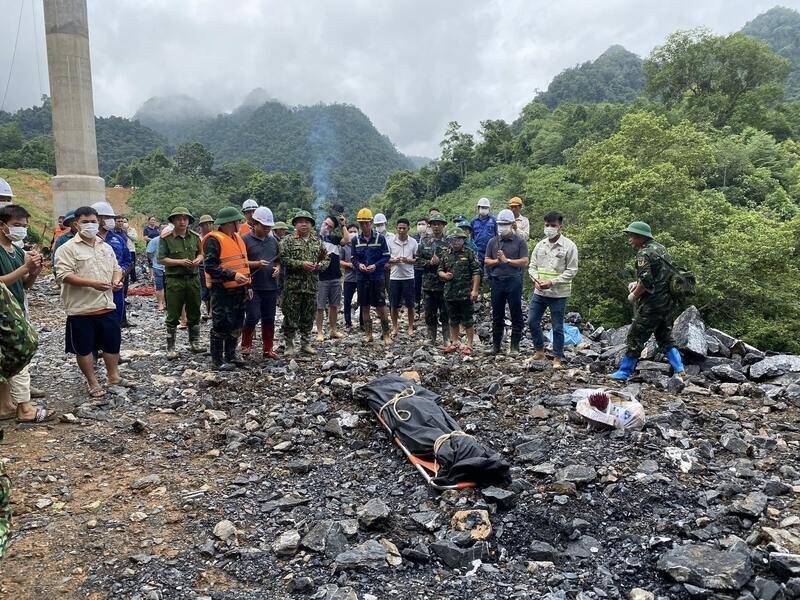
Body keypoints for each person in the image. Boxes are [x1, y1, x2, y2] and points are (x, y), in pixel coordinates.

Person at [55, 206, 131, 397]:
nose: (90, 225)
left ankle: (113, 376)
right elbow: (64, 275)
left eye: (94, 221)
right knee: (85, 348)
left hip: (106, 304)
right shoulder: (67, 249)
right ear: (76, 224)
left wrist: (116, 281)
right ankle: (93, 382)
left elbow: (116, 268)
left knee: (112, 344)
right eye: (85, 221)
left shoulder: (105, 247)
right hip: (81, 308)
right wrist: (93, 284)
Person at [610, 222, 686, 380]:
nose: (629, 239)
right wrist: (636, 283)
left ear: (640, 237)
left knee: (635, 336)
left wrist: (634, 295)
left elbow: (646, 281)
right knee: (664, 335)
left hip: (652, 304)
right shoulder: (660, 249)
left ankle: (624, 371)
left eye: (631, 236)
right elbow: (660, 275)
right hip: (667, 302)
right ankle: (679, 368)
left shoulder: (643, 254)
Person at [0, 205, 50, 422]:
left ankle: (5, 405)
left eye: (24, 226)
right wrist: (24, 268)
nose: (21, 230)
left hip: (17, 308)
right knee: (20, 356)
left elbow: (24, 284)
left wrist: (34, 272)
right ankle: (25, 408)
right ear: (2, 226)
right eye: (16, 225)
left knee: (5, 359)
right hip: (4, 313)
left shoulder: (18, 251)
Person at [528, 211, 578, 369]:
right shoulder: (540, 245)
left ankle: (557, 357)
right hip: (540, 292)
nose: (549, 228)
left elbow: (571, 271)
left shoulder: (569, 246)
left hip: (558, 294)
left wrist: (552, 282)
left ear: (560, 227)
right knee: (532, 321)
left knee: (557, 327)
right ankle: (539, 351)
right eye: (547, 225)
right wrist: (536, 280)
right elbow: (532, 267)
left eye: (553, 225)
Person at [203, 207, 252, 370]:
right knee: (221, 323)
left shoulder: (237, 238)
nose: (240, 223)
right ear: (230, 223)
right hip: (222, 289)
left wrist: (248, 285)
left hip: (240, 289)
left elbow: (243, 264)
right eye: (238, 221)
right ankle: (217, 360)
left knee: (238, 322)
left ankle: (231, 354)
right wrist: (232, 275)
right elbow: (210, 266)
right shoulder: (213, 240)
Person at [279, 210, 329, 355]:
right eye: (300, 221)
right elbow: (283, 259)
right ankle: (289, 344)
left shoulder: (317, 242)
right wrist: (301, 264)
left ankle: (305, 343)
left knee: (308, 315)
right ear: (295, 224)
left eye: (307, 222)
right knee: (290, 315)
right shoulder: (288, 241)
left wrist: (319, 266)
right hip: (293, 286)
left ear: (312, 225)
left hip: (311, 286)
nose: (303, 224)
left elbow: (327, 258)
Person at [158, 207, 204, 359]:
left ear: (189, 221)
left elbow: (201, 253)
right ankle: (171, 348)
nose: (182, 222)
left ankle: (194, 343)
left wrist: (197, 260)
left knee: (194, 311)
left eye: (185, 219)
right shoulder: (166, 238)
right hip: (175, 280)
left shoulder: (195, 237)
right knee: (173, 314)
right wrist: (179, 262)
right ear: (173, 221)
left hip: (193, 279)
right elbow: (161, 259)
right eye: (178, 219)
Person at [484, 209, 529, 355]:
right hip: (497, 282)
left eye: (505, 224)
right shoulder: (493, 241)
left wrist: (507, 260)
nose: (501, 227)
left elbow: (524, 261)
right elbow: (486, 260)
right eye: (500, 224)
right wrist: (497, 261)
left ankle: (514, 347)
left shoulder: (520, 242)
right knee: (497, 314)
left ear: (512, 225)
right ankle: (496, 346)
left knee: (516, 313)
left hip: (514, 281)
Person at [241, 207, 280, 358]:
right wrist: (256, 264)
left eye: (269, 227)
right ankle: (246, 344)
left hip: (270, 286)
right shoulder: (244, 240)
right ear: (255, 224)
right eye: (264, 227)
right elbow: (241, 263)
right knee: (252, 316)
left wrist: (277, 268)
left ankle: (268, 348)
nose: (267, 230)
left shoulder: (273, 241)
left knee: (269, 318)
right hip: (253, 286)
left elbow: (278, 260)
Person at [352, 208, 392, 344]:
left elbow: (386, 256)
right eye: (361, 223)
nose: (364, 226)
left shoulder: (380, 238)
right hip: (362, 278)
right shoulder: (355, 240)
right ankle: (368, 334)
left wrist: (375, 265)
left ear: (371, 222)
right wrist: (359, 265)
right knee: (365, 306)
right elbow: (354, 258)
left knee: (381, 306)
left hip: (377, 277)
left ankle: (386, 334)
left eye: (366, 223)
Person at [438, 229, 480, 355]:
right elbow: (440, 270)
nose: (456, 242)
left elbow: (476, 271)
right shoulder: (446, 254)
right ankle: (455, 342)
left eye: (458, 239)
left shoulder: (469, 253)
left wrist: (475, 290)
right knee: (453, 319)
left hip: (466, 292)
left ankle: (469, 344)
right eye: (453, 239)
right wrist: (444, 275)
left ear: (463, 240)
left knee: (468, 320)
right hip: (450, 293)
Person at [91, 202, 132, 326]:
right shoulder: (89, 239)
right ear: (98, 219)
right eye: (108, 218)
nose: (111, 221)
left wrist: (121, 274)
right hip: (95, 286)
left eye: (112, 218)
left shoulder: (118, 238)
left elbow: (127, 260)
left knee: (116, 315)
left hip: (116, 284)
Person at [416, 212, 451, 346]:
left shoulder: (449, 242)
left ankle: (447, 338)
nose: (436, 227)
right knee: (430, 313)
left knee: (445, 312)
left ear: (443, 226)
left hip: (444, 284)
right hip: (428, 284)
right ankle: (431, 337)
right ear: (430, 226)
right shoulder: (424, 241)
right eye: (434, 224)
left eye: (439, 224)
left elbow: (454, 261)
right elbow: (418, 261)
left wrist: (442, 263)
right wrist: (429, 263)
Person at [315, 214, 351, 341]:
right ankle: (319, 332)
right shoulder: (314, 238)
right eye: (325, 224)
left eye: (329, 226)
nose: (326, 227)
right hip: (320, 277)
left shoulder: (334, 239)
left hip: (335, 276)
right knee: (319, 306)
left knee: (334, 305)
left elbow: (347, 240)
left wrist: (343, 225)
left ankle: (333, 330)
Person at [388, 218, 418, 337]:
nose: (401, 230)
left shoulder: (413, 242)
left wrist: (408, 260)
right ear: (396, 228)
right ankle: (395, 327)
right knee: (393, 305)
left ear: (408, 229)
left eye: (404, 228)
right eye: (399, 228)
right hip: (394, 277)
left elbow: (417, 259)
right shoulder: (390, 241)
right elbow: (385, 259)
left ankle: (410, 327)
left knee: (410, 304)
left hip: (409, 277)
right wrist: (394, 260)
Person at [340, 224, 359, 330]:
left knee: (363, 300)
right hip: (349, 278)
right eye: (350, 231)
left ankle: (362, 322)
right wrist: (349, 264)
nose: (352, 233)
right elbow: (340, 261)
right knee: (347, 300)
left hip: (361, 277)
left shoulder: (361, 244)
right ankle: (348, 322)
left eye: (355, 231)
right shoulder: (344, 247)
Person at [470, 197, 497, 268]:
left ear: (489, 209)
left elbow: (497, 234)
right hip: (478, 251)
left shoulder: (494, 220)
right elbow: (472, 236)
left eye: (486, 208)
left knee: (491, 270)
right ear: (478, 208)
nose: (484, 210)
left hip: (491, 250)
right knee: (478, 270)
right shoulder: (473, 221)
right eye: (482, 207)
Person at [197, 214, 214, 319]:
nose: (207, 226)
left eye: (209, 224)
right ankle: (208, 311)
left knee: (213, 288)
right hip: (202, 266)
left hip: (213, 266)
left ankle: (211, 312)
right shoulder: (198, 238)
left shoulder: (215, 236)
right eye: (205, 224)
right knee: (205, 291)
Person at [146, 226, 166, 311]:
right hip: (158, 266)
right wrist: (154, 260)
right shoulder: (155, 240)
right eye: (163, 229)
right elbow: (149, 252)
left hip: (169, 267)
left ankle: (167, 303)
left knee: (169, 286)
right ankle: (160, 304)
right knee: (159, 286)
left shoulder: (172, 240)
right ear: (159, 230)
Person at [412, 217, 429, 312]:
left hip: (427, 268)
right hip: (416, 268)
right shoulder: (413, 238)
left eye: (423, 224)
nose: (421, 226)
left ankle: (427, 310)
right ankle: (417, 310)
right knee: (416, 290)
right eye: (419, 224)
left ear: (427, 226)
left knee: (428, 290)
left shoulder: (431, 238)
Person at [123, 217, 139, 282]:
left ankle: (133, 279)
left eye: (125, 222)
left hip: (131, 249)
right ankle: (125, 278)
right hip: (123, 250)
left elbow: (135, 239)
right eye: (123, 222)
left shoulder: (132, 230)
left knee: (132, 264)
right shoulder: (119, 231)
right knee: (125, 265)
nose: (124, 223)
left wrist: (127, 234)